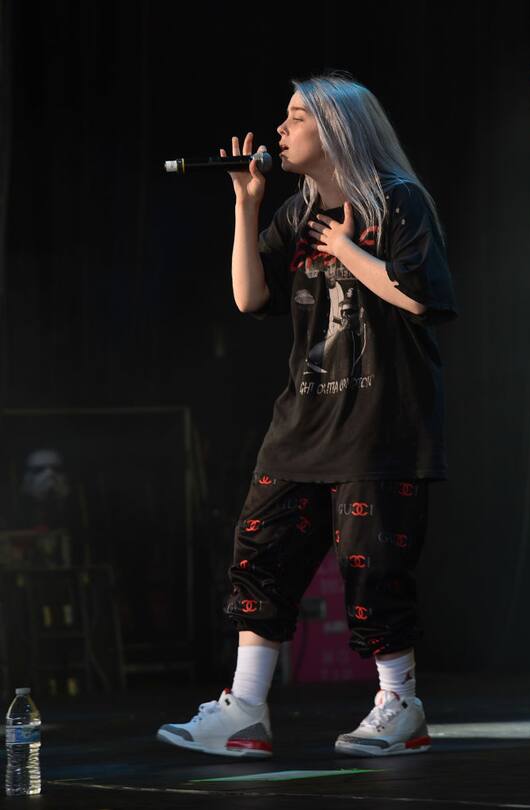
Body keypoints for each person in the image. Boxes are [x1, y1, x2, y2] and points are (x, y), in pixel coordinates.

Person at [156, 70, 459, 759]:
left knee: (372, 568)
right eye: (284, 117)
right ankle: (246, 710)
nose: (281, 129)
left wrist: (348, 250)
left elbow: (421, 298)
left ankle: (399, 705)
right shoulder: (296, 211)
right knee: (260, 555)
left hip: (380, 422)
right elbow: (248, 298)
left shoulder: (398, 202)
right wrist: (246, 203)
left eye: (297, 117)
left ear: (339, 129)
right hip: (303, 422)